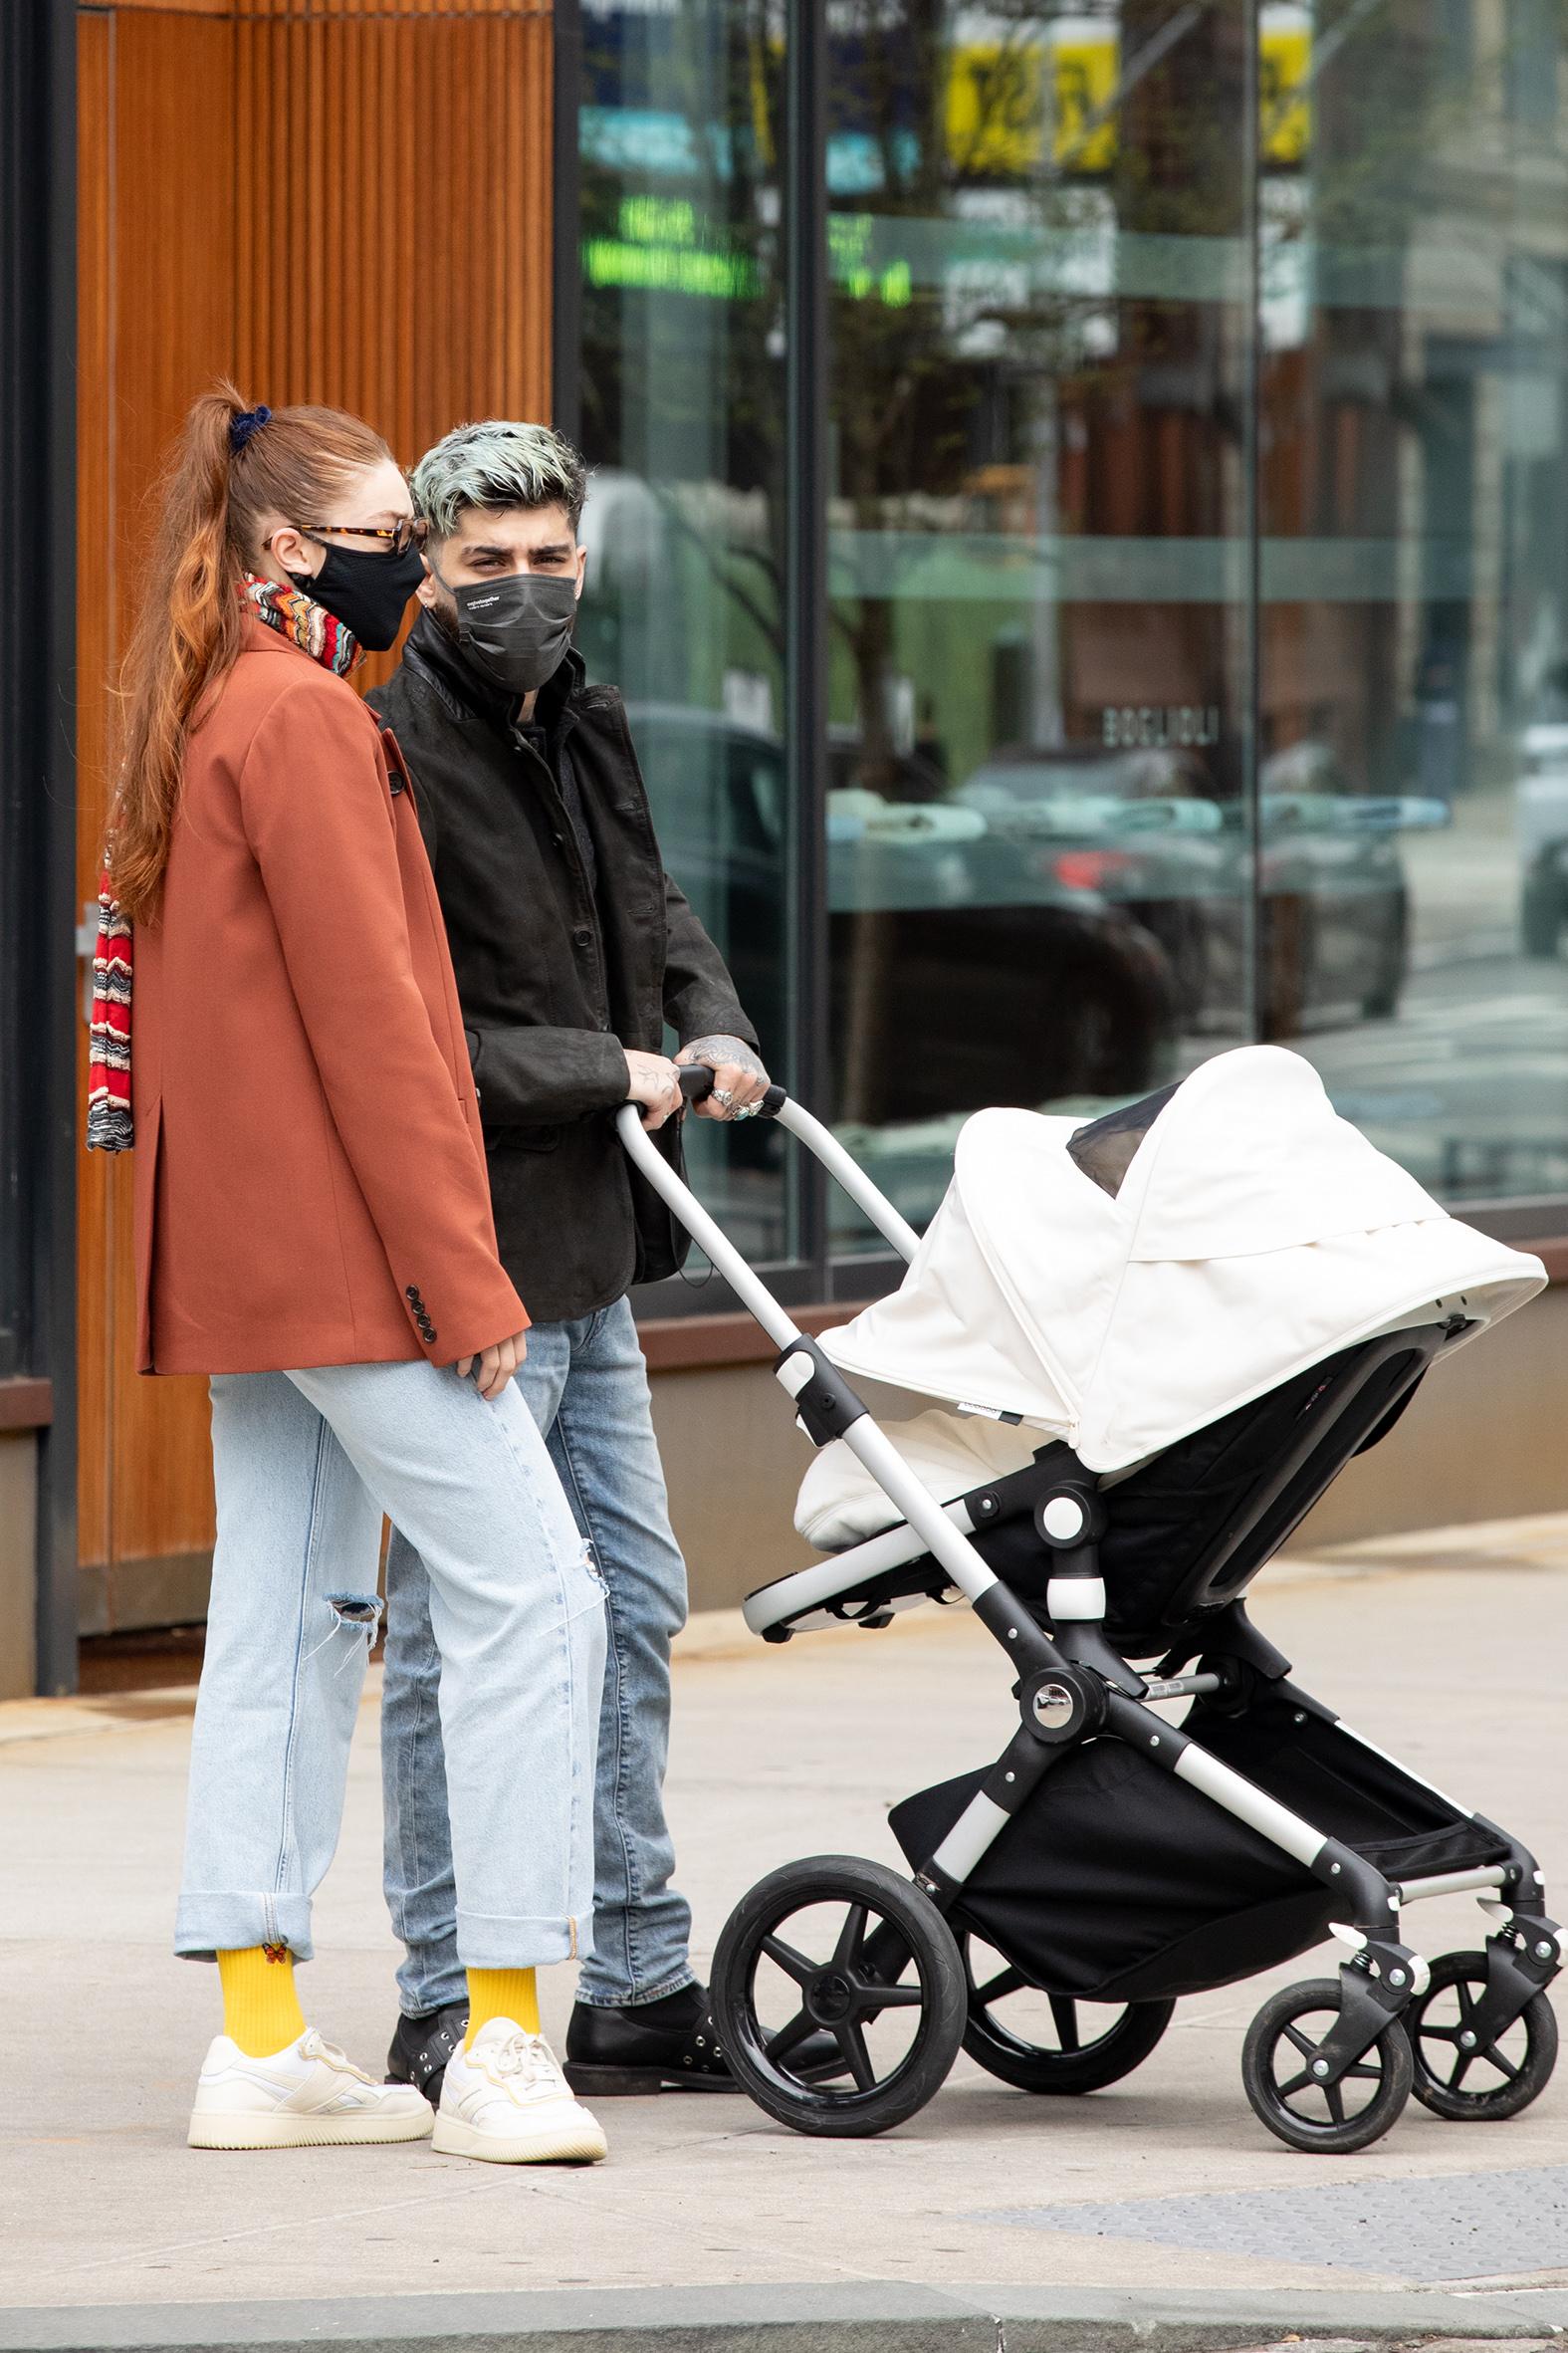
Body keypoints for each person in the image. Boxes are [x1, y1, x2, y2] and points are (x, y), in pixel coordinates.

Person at [90, 384, 610, 2166]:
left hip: (245, 1262)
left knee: (285, 1622)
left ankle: (256, 2037)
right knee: (541, 1597)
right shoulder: (306, 719)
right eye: (395, 531)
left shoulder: (214, 701)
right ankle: (509, 2040)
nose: (417, 564)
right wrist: (465, 1283)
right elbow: (382, 1035)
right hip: (348, 1267)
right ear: (293, 550)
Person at [369, 419, 817, 2101]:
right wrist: (613, 1067)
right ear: (428, 572)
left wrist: (711, 1023)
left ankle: (633, 1977)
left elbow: (655, 916)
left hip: (599, 1254)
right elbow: (419, 1036)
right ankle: (436, 1990)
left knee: (632, 1605)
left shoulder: (592, 724)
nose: (524, 592)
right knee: (455, 1643)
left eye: (550, 560)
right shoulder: (390, 751)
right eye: (487, 568)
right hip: (474, 1262)